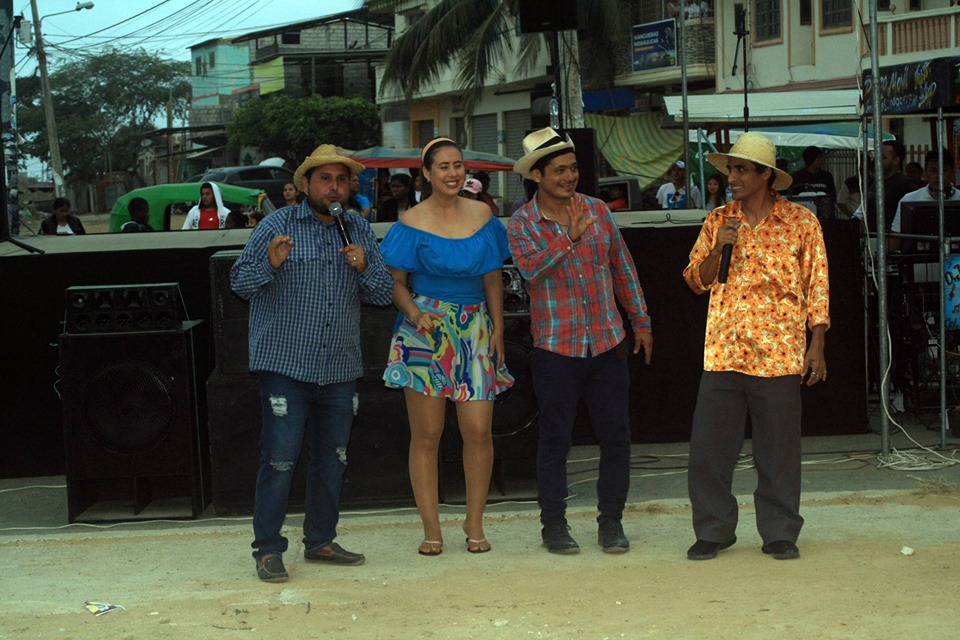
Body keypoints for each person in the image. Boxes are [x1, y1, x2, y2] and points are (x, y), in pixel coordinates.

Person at [230, 144, 393, 583]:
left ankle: (320, 540)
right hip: (286, 366)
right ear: (305, 184)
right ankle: (268, 549)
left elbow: (383, 295)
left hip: (338, 367)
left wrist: (365, 267)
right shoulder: (277, 225)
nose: (334, 188)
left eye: (341, 180)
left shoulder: (357, 229)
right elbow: (240, 283)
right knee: (280, 460)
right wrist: (269, 264)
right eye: (325, 179)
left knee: (332, 459)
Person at [682, 132, 829, 562]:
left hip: (779, 353)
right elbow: (695, 281)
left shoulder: (801, 222)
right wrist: (719, 248)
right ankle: (713, 529)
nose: (732, 177)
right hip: (724, 350)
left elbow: (817, 286)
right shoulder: (718, 221)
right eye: (730, 169)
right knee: (709, 450)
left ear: (766, 175)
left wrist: (817, 344)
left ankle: (779, 531)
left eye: (742, 170)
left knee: (778, 451)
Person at [507, 127, 653, 555]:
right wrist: (567, 239)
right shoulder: (522, 223)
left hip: (607, 343)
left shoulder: (598, 210)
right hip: (556, 349)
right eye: (559, 170)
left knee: (616, 437)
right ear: (537, 175)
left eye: (572, 168)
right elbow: (531, 271)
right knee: (555, 439)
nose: (569, 177)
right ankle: (554, 525)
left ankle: (612, 522)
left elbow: (622, 268)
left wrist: (641, 321)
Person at [380, 137, 514, 556]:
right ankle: (431, 529)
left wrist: (497, 328)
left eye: (458, 165)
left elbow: (493, 277)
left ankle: (475, 524)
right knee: (427, 434)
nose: (453, 173)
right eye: (444, 166)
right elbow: (394, 283)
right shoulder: (411, 221)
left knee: (479, 431)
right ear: (426, 173)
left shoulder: (483, 215)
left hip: (475, 328)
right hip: (425, 331)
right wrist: (415, 313)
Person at [889, 148, 959, 251]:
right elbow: (895, 239)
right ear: (925, 173)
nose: (938, 176)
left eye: (943, 171)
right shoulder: (909, 199)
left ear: (952, 173)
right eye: (933, 170)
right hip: (919, 259)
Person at [856, 140, 916, 234]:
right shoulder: (874, 183)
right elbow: (862, 210)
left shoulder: (905, 185)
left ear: (896, 160)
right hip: (872, 238)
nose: (877, 161)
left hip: (892, 239)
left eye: (882, 157)